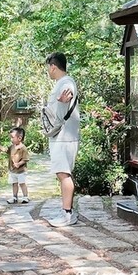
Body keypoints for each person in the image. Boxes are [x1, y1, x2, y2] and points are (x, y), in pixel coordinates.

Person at [44, 52, 80, 227]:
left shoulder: (66, 83)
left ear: (53, 66)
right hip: (62, 136)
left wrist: (61, 102)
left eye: (48, 68)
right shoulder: (63, 83)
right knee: (62, 173)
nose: (48, 72)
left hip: (65, 137)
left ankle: (67, 214)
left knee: (63, 174)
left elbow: (64, 104)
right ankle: (66, 211)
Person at [6, 126, 30, 204]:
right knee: (14, 183)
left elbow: (26, 159)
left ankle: (25, 196)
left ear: (19, 138)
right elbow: (6, 150)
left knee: (22, 183)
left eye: (12, 137)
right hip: (13, 170)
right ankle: (14, 197)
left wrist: (19, 164)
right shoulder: (12, 147)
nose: (11, 139)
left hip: (21, 171)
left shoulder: (23, 148)